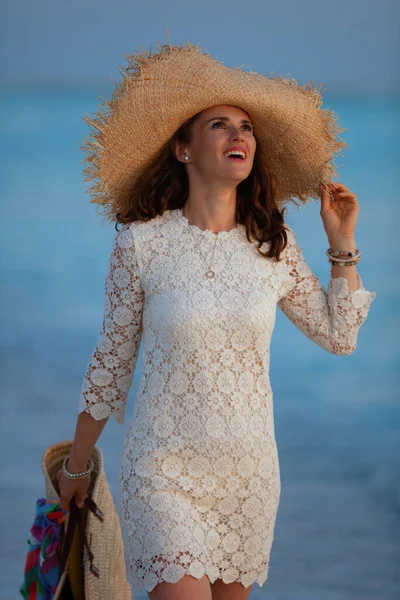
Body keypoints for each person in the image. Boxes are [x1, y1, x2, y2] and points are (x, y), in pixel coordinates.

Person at [57, 42, 376, 600]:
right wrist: (78, 466)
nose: (240, 136)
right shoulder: (143, 244)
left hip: (248, 478)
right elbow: (112, 361)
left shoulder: (273, 248)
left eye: (247, 127)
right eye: (220, 125)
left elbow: (340, 337)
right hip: (163, 473)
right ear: (183, 148)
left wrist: (342, 245)